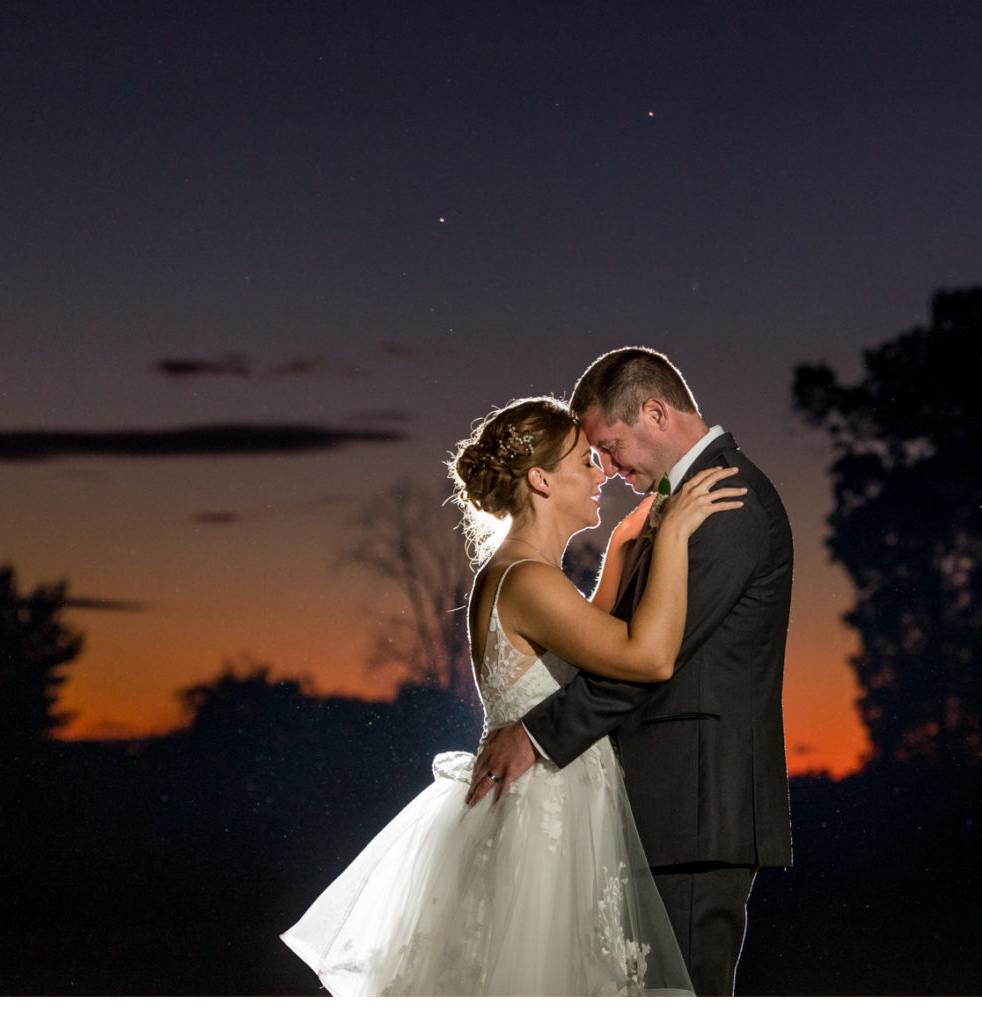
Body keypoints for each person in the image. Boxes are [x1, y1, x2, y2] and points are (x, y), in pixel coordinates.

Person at [280, 394, 746, 995]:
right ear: (540, 479)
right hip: (548, 811)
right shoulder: (529, 581)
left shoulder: (516, 573)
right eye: (585, 460)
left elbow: (580, 644)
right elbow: (647, 657)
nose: (602, 471)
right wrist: (676, 535)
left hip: (547, 798)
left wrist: (619, 556)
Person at [468, 347, 795, 996]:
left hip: (694, 806)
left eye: (610, 449)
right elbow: (618, 644)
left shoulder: (724, 499)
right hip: (645, 810)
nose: (608, 471)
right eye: (592, 460)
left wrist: (534, 735)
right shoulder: (668, 513)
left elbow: (648, 663)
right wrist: (636, 545)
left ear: (654, 411)